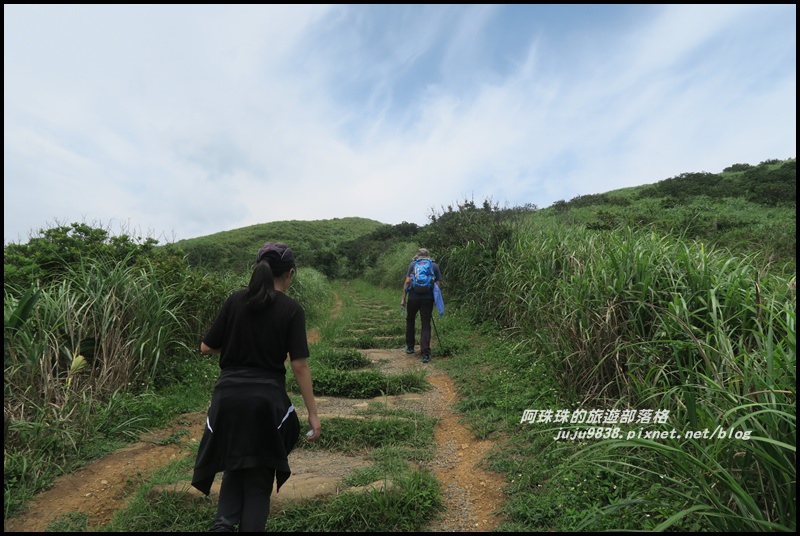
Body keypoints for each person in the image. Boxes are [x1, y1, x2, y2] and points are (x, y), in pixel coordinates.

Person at [191, 242, 321, 532]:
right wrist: (313, 413)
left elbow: (206, 347)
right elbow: (299, 365)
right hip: (264, 404)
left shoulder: (236, 300)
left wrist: (236, 343)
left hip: (227, 401)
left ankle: (223, 525)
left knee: (235, 467)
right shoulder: (291, 309)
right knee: (259, 479)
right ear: (290, 273)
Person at [401, 248, 443, 363]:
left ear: (418, 255)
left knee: (410, 319)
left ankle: (410, 347)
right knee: (425, 324)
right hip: (427, 298)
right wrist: (435, 299)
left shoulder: (413, 264)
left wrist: (403, 299)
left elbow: (407, 281)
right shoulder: (434, 266)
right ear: (428, 255)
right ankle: (425, 353)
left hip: (413, 297)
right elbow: (438, 284)